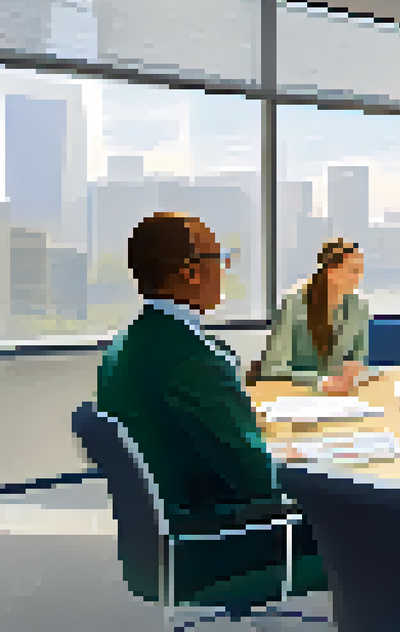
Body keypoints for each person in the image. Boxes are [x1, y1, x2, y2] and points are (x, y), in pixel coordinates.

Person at [95, 212, 328, 608]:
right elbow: (260, 483)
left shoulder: (131, 342)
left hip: (167, 537)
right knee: (378, 529)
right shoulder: (191, 359)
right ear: (190, 273)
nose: (224, 269)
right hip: (213, 546)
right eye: (219, 257)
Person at [255, 239, 372, 394]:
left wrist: (355, 374)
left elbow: (358, 361)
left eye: (361, 270)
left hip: (344, 396)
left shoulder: (359, 307)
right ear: (331, 272)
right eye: (354, 270)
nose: (359, 277)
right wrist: (319, 382)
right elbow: (272, 368)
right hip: (298, 395)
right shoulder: (293, 304)